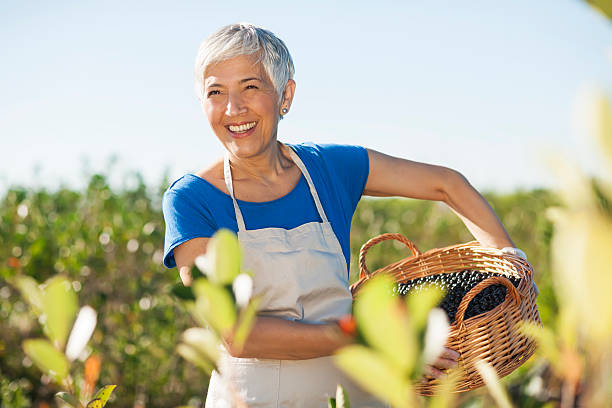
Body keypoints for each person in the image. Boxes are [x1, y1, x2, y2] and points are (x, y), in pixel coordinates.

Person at [162, 23, 523, 407]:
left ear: (286, 95)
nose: (233, 109)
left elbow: (447, 184)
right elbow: (236, 333)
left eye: (250, 87)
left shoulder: (329, 168)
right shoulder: (191, 199)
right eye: (216, 92)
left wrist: (511, 267)